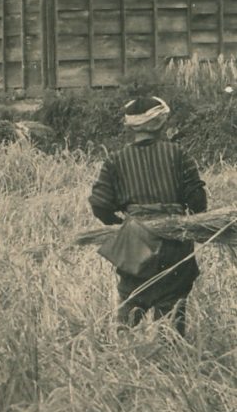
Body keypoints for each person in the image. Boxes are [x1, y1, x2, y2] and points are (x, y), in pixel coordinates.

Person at [89, 96, 207, 337]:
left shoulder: (115, 161)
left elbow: (99, 205)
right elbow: (197, 200)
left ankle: (119, 353)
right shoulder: (178, 154)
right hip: (174, 240)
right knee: (172, 307)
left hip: (135, 240)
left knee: (130, 301)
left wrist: (123, 226)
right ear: (160, 122)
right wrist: (190, 223)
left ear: (131, 126)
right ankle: (170, 353)